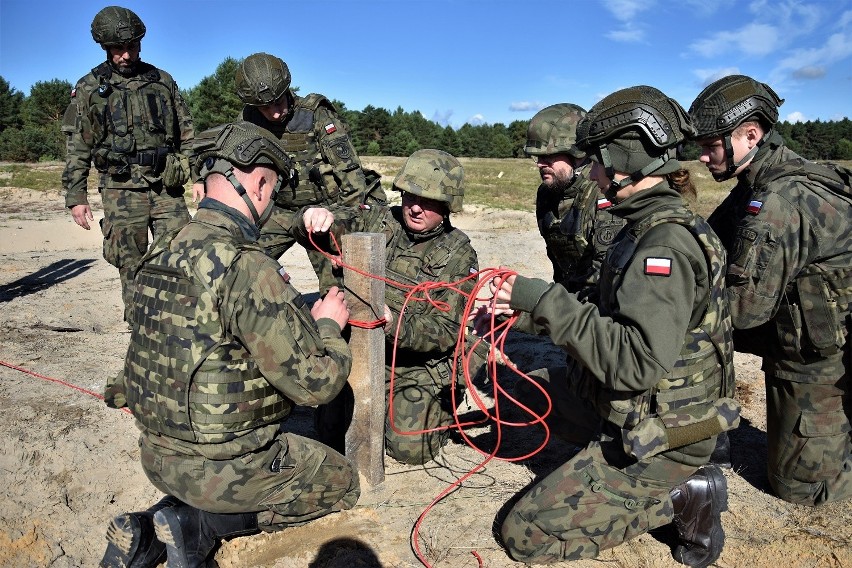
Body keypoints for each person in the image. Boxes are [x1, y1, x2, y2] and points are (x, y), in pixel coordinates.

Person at [481, 86, 738, 567]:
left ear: (625, 160)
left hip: (667, 431)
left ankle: (687, 494)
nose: (592, 173)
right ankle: (603, 464)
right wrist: (521, 311)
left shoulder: (663, 245)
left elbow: (634, 365)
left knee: (524, 534)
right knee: (523, 395)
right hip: (634, 406)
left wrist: (542, 299)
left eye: (597, 161)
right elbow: (601, 315)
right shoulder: (644, 225)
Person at [98, 121, 359, 568]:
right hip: (216, 468)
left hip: (156, 456)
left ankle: (148, 529)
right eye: (272, 191)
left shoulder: (161, 248)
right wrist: (328, 326)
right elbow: (316, 385)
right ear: (259, 183)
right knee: (342, 483)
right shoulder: (246, 266)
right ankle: (198, 528)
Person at [689, 74, 852, 506]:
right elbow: (710, 240)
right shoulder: (763, 179)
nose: (703, 157)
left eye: (711, 145)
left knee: (800, 490)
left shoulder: (777, 201)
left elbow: (743, 311)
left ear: (751, 134)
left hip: (816, 355)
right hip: (805, 330)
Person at [299, 149, 479, 465]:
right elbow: (335, 225)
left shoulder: (458, 254)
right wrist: (314, 219)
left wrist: (393, 322)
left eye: (429, 201)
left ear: (448, 205)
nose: (416, 207)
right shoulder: (380, 219)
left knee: (409, 448)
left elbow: (446, 331)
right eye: (410, 196)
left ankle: (442, 405)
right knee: (330, 433)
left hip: (415, 364)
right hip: (361, 350)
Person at [62, 6, 196, 322]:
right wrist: (76, 197)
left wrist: (194, 171)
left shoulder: (162, 80)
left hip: (166, 185)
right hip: (120, 188)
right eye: (118, 49)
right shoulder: (88, 87)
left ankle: (180, 322)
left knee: (181, 252)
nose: (126, 55)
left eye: (132, 47)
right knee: (130, 260)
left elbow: (186, 129)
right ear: (106, 48)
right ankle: (141, 327)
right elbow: (77, 145)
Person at [226, 52, 387, 294]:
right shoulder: (248, 119)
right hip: (278, 212)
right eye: (265, 108)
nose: (275, 113)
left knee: (339, 289)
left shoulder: (315, 113)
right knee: (239, 266)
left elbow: (350, 173)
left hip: (322, 212)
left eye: (278, 103)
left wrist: (348, 231)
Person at [525, 103, 624, 295]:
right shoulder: (546, 194)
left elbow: (606, 274)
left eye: (549, 156)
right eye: (537, 157)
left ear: (577, 153)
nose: (540, 164)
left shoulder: (602, 193)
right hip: (570, 304)